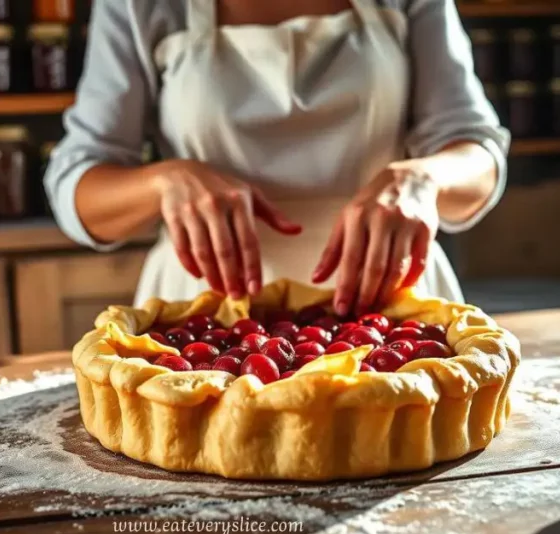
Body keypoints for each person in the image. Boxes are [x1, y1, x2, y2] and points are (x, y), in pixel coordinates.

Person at [44, 0, 509, 317]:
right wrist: (164, 183)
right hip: (207, 314)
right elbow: (76, 187)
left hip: (388, 304)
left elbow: (477, 153)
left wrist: (425, 179)